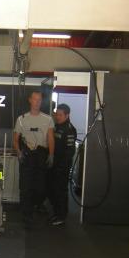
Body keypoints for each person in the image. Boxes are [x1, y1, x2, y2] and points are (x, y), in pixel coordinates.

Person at [13, 90, 55, 225]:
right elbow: (15, 139)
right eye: (35, 99)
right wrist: (19, 152)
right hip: (27, 155)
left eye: (39, 100)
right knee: (25, 187)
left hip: (41, 155)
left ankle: (36, 206)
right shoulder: (21, 119)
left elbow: (50, 138)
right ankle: (26, 216)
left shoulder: (48, 119)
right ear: (30, 100)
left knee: (40, 188)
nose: (37, 102)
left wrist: (51, 154)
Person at [47, 104, 77, 226]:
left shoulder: (69, 129)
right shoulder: (56, 127)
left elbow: (70, 152)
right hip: (53, 165)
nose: (57, 117)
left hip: (62, 167)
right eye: (56, 114)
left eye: (60, 115)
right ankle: (56, 212)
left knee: (61, 191)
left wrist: (61, 166)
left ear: (67, 115)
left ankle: (61, 216)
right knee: (53, 190)